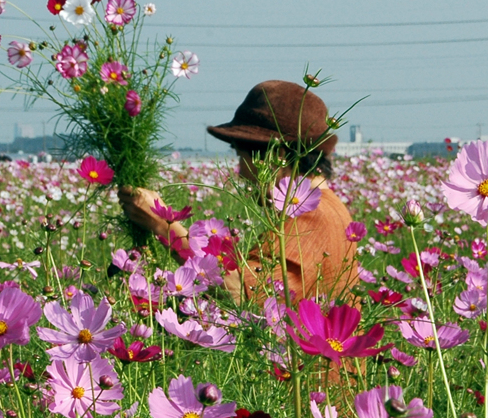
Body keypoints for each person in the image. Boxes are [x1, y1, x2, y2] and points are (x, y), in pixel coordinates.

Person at [119, 80, 359, 304]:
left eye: (241, 157)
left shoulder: (314, 217)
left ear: (277, 156)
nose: (241, 174)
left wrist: (164, 226)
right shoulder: (328, 207)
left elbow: (241, 295)